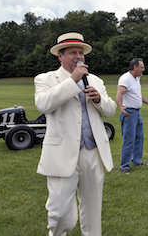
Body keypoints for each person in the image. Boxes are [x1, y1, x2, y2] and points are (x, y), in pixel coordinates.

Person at [34, 32, 117, 235]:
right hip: (62, 154)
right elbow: (44, 105)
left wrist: (99, 100)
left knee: (92, 213)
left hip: (93, 153)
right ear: (60, 56)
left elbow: (111, 110)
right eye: (73, 52)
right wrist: (73, 80)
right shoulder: (45, 79)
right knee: (60, 214)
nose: (79, 56)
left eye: (81, 52)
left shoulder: (95, 81)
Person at [116, 58, 148, 175]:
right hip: (129, 113)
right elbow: (119, 93)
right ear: (135, 67)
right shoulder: (125, 78)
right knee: (129, 140)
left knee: (140, 138)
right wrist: (121, 108)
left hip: (137, 113)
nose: (143, 69)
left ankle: (136, 161)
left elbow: (138, 94)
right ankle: (124, 166)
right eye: (141, 67)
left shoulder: (136, 78)